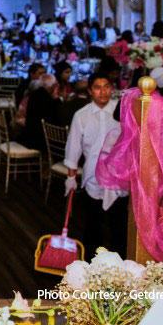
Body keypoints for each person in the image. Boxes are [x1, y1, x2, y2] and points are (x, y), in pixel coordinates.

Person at [64, 72, 127, 257]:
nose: (103, 92)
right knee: (93, 223)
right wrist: (71, 177)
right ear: (90, 91)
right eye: (98, 88)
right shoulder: (81, 115)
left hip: (118, 177)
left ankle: (121, 262)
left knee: (119, 224)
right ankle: (92, 262)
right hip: (93, 175)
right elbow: (74, 146)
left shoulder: (121, 112)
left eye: (106, 87)